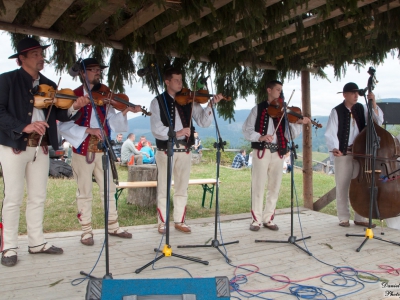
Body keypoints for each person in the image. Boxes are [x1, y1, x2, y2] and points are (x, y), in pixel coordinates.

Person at [0, 37, 88, 267]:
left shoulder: (49, 83)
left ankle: (36, 242)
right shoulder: (6, 80)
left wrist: (74, 107)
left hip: (40, 147)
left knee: (38, 196)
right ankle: (9, 246)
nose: (41, 58)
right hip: (14, 146)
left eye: (41, 53)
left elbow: (59, 115)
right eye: (36, 54)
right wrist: (23, 126)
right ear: (22, 59)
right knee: (13, 197)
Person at [58, 58, 141, 246]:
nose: (97, 73)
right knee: (85, 191)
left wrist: (126, 111)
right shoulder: (74, 95)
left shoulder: (104, 96)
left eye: (98, 70)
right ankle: (86, 231)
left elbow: (112, 122)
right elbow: (62, 125)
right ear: (82, 73)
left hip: (102, 150)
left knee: (109, 189)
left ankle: (113, 225)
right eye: (93, 69)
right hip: (82, 150)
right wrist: (88, 130)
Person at [150, 67, 223, 234]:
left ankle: (179, 220)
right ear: (167, 82)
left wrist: (211, 104)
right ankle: (162, 222)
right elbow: (156, 128)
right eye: (176, 80)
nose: (180, 83)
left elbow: (204, 122)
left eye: (181, 80)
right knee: (163, 186)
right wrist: (177, 133)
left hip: (185, 149)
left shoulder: (190, 100)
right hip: (166, 149)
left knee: (182, 187)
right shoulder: (158, 101)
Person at [243, 80, 311, 232]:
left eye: (281, 90)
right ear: (269, 90)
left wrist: (298, 122)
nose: (280, 93)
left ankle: (268, 218)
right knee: (258, 185)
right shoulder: (258, 109)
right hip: (262, 150)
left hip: (278, 151)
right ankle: (256, 220)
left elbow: (289, 134)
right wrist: (260, 137)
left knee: (275, 186)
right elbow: (246, 129)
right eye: (277, 90)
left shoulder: (284, 112)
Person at [325, 82, 383, 228]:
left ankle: (360, 217)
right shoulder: (336, 111)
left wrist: (373, 103)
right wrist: (335, 148)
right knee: (342, 185)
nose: (356, 95)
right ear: (345, 95)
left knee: (361, 185)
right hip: (343, 154)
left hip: (360, 154)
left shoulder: (362, 108)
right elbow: (331, 133)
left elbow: (378, 121)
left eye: (357, 93)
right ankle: (343, 217)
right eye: (353, 93)